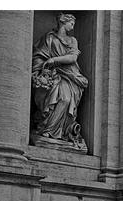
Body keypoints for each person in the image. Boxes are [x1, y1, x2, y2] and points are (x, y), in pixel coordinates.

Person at [31, 13, 88, 148]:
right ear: (63, 22)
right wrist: (42, 67)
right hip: (54, 74)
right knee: (57, 98)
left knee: (66, 99)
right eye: (71, 24)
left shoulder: (72, 40)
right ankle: (48, 130)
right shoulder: (49, 38)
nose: (72, 27)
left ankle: (60, 132)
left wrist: (54, 60)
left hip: (70, 75)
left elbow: (73, 58)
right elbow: (39, 55)